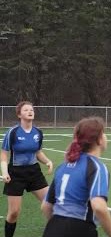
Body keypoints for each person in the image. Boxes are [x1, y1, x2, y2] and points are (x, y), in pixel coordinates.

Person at [41, 117, 111, 237]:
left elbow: (46, 206)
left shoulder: (63, 166)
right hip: (80, 229)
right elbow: (99, 207)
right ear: (99, 139)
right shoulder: (96, 167)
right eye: (104, 133)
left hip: (52, 228)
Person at [1, 101, 53, 237]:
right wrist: (5, 172)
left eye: (31, 110)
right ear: (19, 114)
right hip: (16, 173)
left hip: (34, 172)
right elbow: (4, 155)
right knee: (14, 213)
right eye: (26, 110)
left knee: (51, 204)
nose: (30, 112)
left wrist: (47, 161)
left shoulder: (38, 132)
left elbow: (38, 152)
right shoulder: (12, 132)